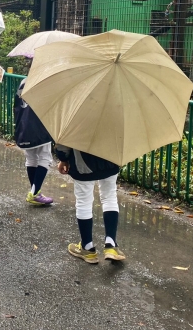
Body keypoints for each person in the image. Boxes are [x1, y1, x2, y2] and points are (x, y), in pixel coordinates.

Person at [56, 145, 125, 263]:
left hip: (82, 162)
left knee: (84, 202)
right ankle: (111, 245)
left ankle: (87, 248)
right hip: (110, 160)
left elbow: (64, 141)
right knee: (109, 198)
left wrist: (63, 159)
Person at [13, 76, 54, 206]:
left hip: (24, 125)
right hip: (40, 126)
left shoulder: (24, 82)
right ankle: (35, 193)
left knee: (31, 158)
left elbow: (17, 104)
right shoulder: (45, 81)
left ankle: (35, 192)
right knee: (45, 157)